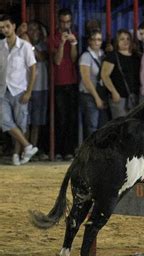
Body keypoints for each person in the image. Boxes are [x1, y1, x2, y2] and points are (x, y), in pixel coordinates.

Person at [0, 14, 38, 165]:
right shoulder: (0, 46)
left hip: (19, 89)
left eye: (7, 26)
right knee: (5, 121)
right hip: (3, 89)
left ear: (14, 26)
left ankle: (17, 154)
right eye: (2, 27)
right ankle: (28, 146)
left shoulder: (24, 46)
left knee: (20, 122)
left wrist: (29, 91)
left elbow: (33, 69)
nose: (5, 30)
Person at [51, 8, 78, 161]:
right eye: (62, 21)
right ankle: (59, 150)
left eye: (67, 21)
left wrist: (73, 43)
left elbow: (74, 59)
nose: (65, 25)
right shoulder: (54, 36)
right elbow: (57, 61)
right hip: (58, 83)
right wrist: (62, 42)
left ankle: (68, 150)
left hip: (73, 81)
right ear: (58, 21)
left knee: (71, 118)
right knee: (60, 118)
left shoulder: (74, 35)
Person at [101, 29, 140, 119]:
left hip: (135, 97)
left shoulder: (137, 56)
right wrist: (113, 92)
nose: (125, 41)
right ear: (117, 41)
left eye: (128, 39)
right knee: (120, 126)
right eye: (122, 39)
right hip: (119, 98)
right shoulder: (112, 56)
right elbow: (105, 75)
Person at [78, 29, 108, 138]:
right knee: (92, 125)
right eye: (94, 39)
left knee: (102, 125)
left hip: (101, 93)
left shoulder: (103, 55)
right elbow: (86, 80)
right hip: (89, 94)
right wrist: (97, 98)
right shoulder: (86, 56)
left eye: (99, 40)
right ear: (89, 41)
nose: (96, 42)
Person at [26, 21, 49, 160]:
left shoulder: (43, 45)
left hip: (41, 87)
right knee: (25, 121)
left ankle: (33, 149)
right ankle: (24, 148)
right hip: (26, 87)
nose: (34, 32)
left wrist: (31, 46)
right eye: (31, 29)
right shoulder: (22, 46)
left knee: (36, 122)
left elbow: (42, 57)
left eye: (36, 29)